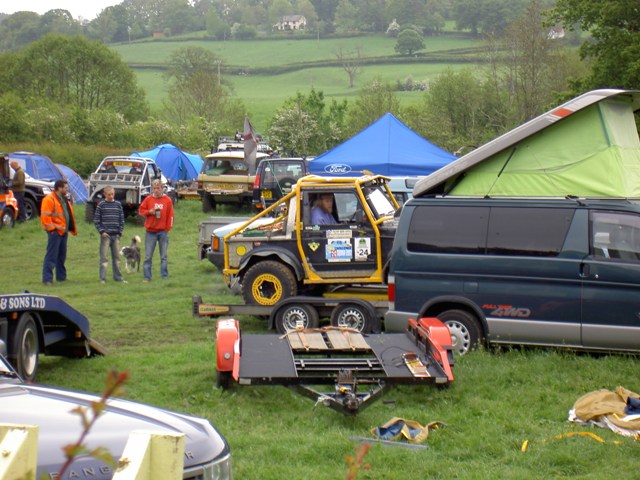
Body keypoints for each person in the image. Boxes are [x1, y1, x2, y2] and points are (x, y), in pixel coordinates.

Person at [40, 179, 77, 285]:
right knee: (51, 256)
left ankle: (61, 277)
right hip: (55, 232)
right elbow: (45, 217)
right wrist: (52, 229)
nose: (67, 190)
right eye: (65, 188)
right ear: (59, 188)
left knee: (61, 256)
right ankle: (47, 279)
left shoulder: (63, 199)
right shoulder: (49, 199)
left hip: (63, 231)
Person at [138, 179, 174, 282]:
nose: (156, 190)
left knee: (164, 256)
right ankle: (147, 277)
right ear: (152, 189)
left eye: (158, 188)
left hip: (163, 232)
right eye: (154, 188)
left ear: (162, 188)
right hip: (150, 232)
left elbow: (171, 216)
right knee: (148, 256)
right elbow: (141, 211)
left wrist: (167, 229)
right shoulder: (148, 199)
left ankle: (164, 276)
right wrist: (149, 212)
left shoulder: (167, 200)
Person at [94, 186, 126, 284]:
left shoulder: (118, 204)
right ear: (104, 194)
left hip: (116, 235)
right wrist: (101, 232)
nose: (111, 196)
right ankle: (102, 278)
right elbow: (96, 220)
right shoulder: (101, 205)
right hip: (105, 235)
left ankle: (118, 277)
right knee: (104, 257)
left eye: (112, 194)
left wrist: (120, 231)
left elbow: (121, 219)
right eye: (109, 195)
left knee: (117, 257)